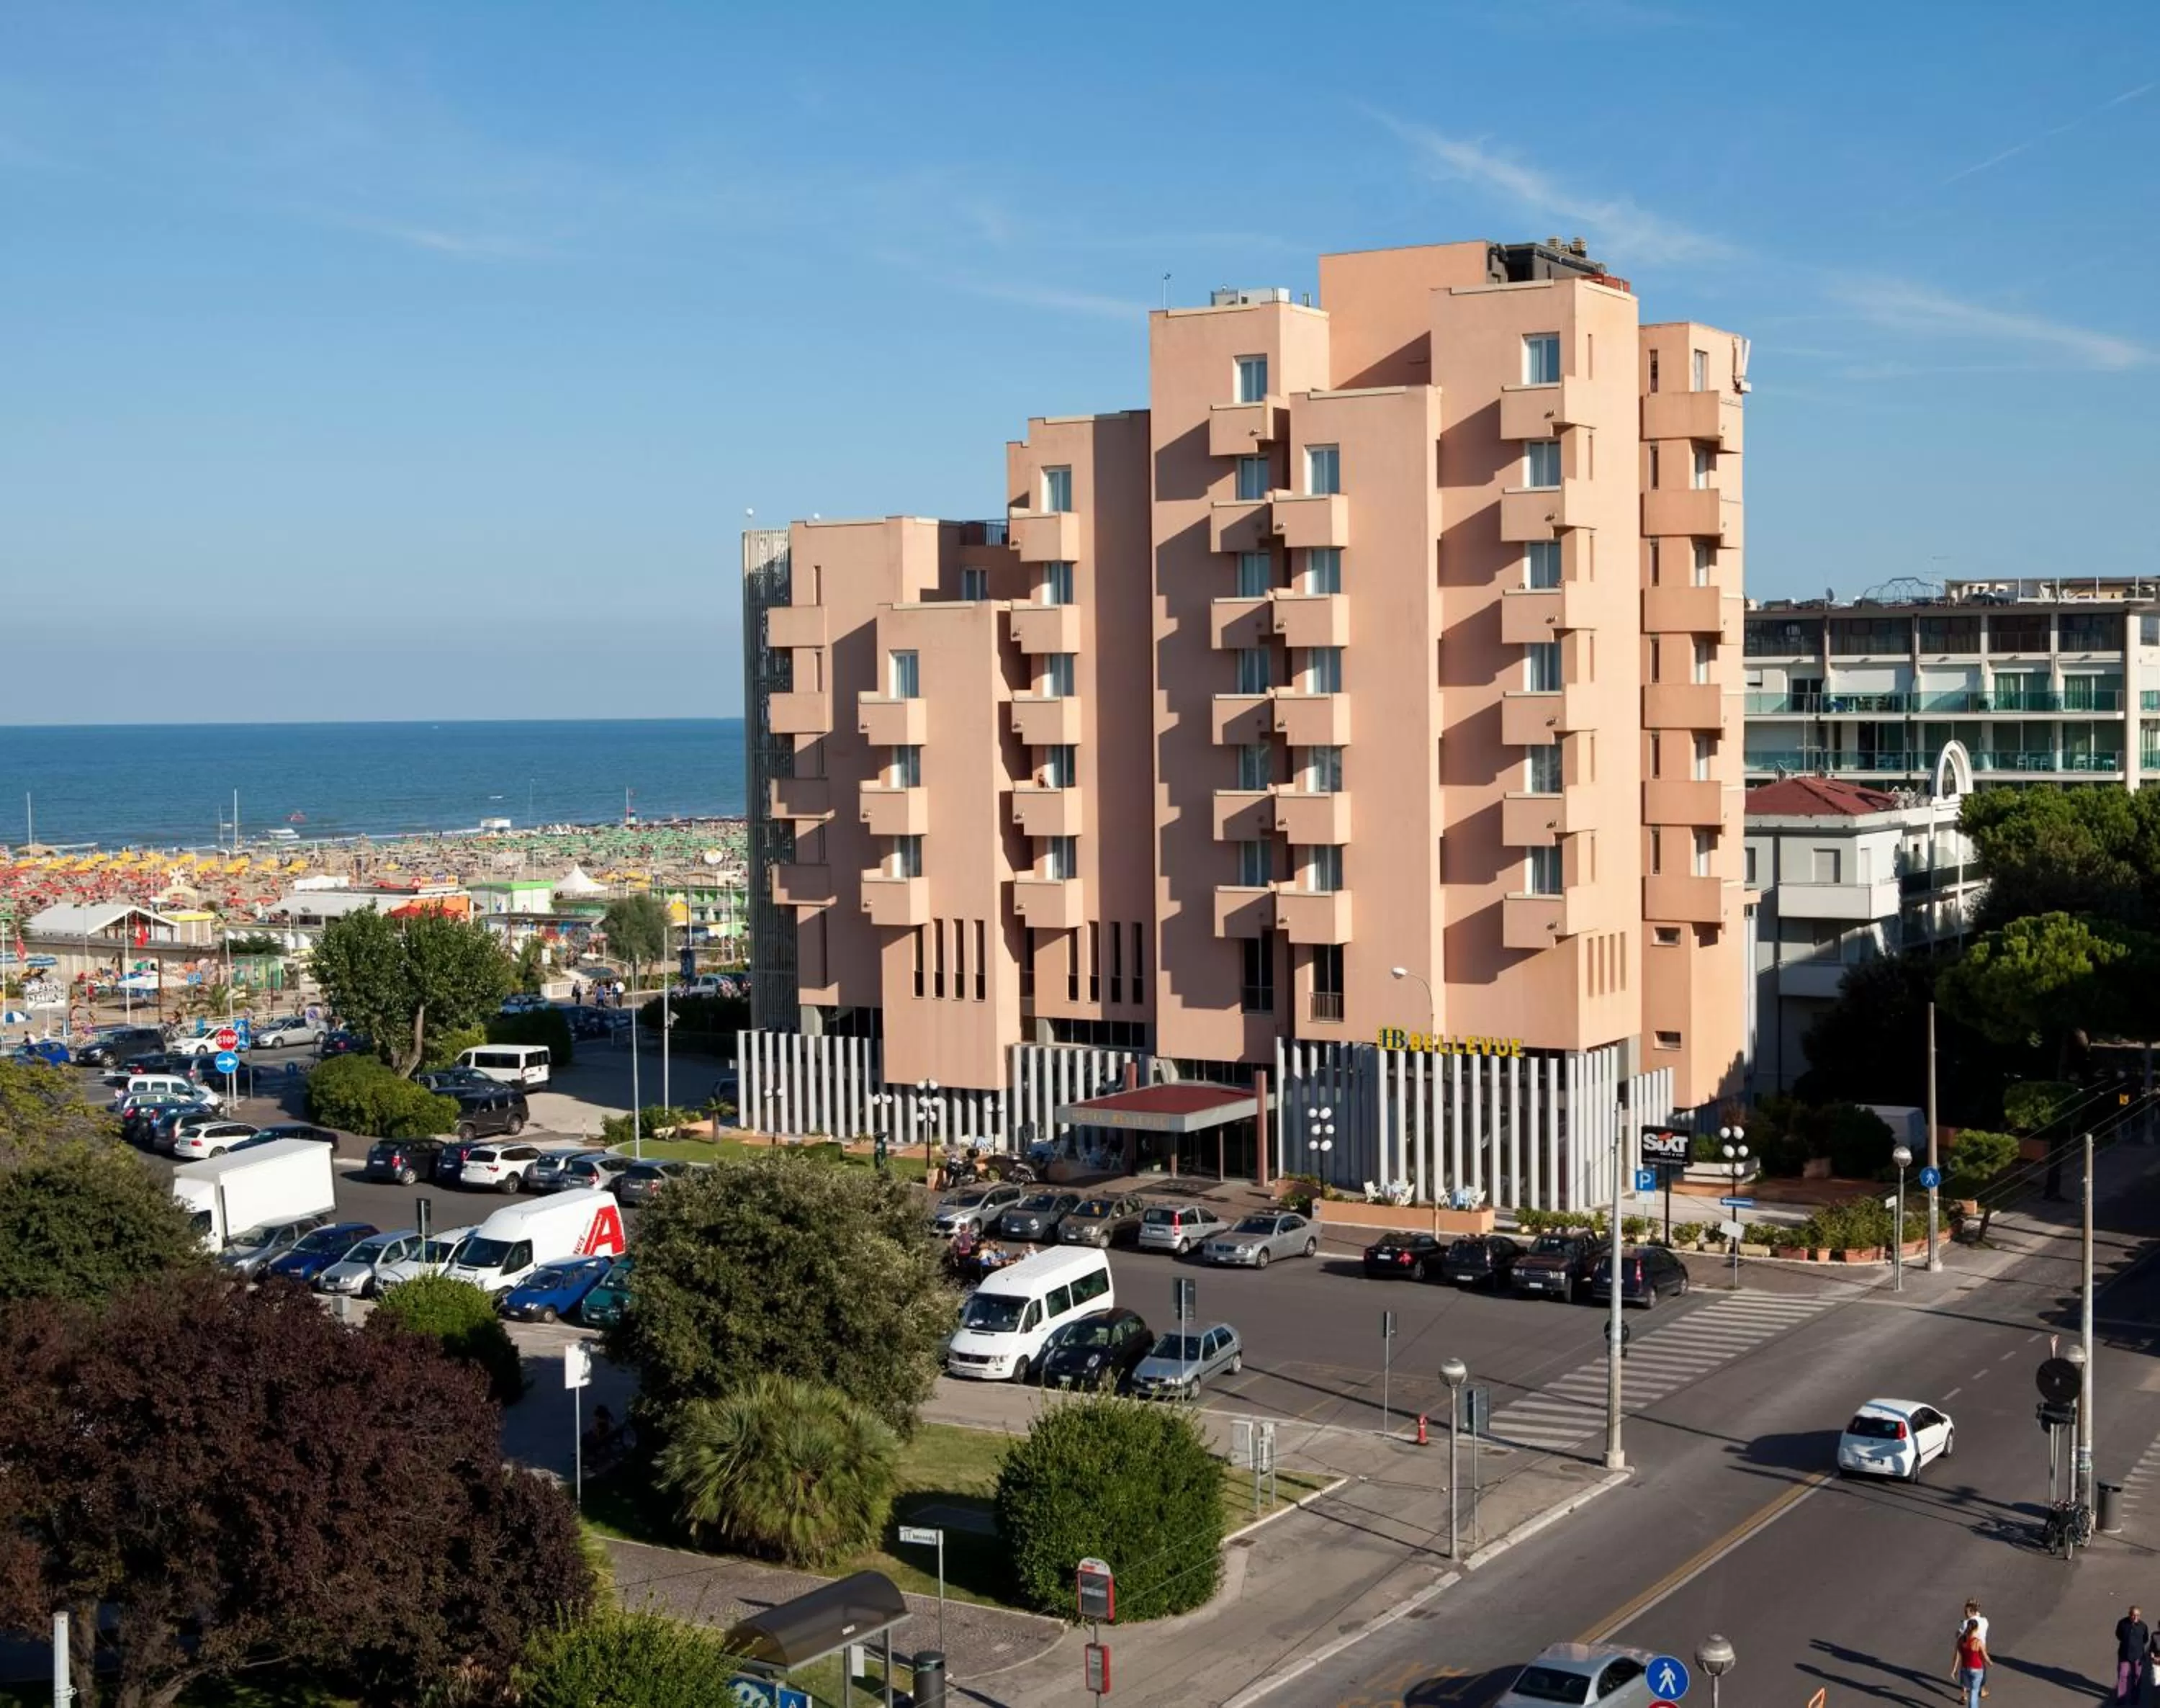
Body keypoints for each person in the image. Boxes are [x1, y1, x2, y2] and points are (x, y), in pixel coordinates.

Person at [1953, 1617, 1989, 1708]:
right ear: (1976, 1628)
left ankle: (1965, 1698)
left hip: (1965, 1669)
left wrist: (1954, 1670)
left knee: (1970, 1690)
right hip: (1977, 1669)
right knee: (1974, 1692)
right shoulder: (1977, 1641)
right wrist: (1990, 1662)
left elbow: (1957, 1654)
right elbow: (1984, 1655)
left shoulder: (1962, 1639)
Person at [2118, 1606, 2150, 1704]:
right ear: (2130, 1615)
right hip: (2124, 1655)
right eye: (2133, 1615)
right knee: (2123, 1675)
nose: (2135, 1617)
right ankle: (2121, 1699)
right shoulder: (2122, 1623)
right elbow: (2118, 1635)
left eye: (2138, 1615)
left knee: (2137, 1676)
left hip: (2138, 1656)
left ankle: (2135, 1698)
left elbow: (2145, 1639)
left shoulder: (2143, 1626)